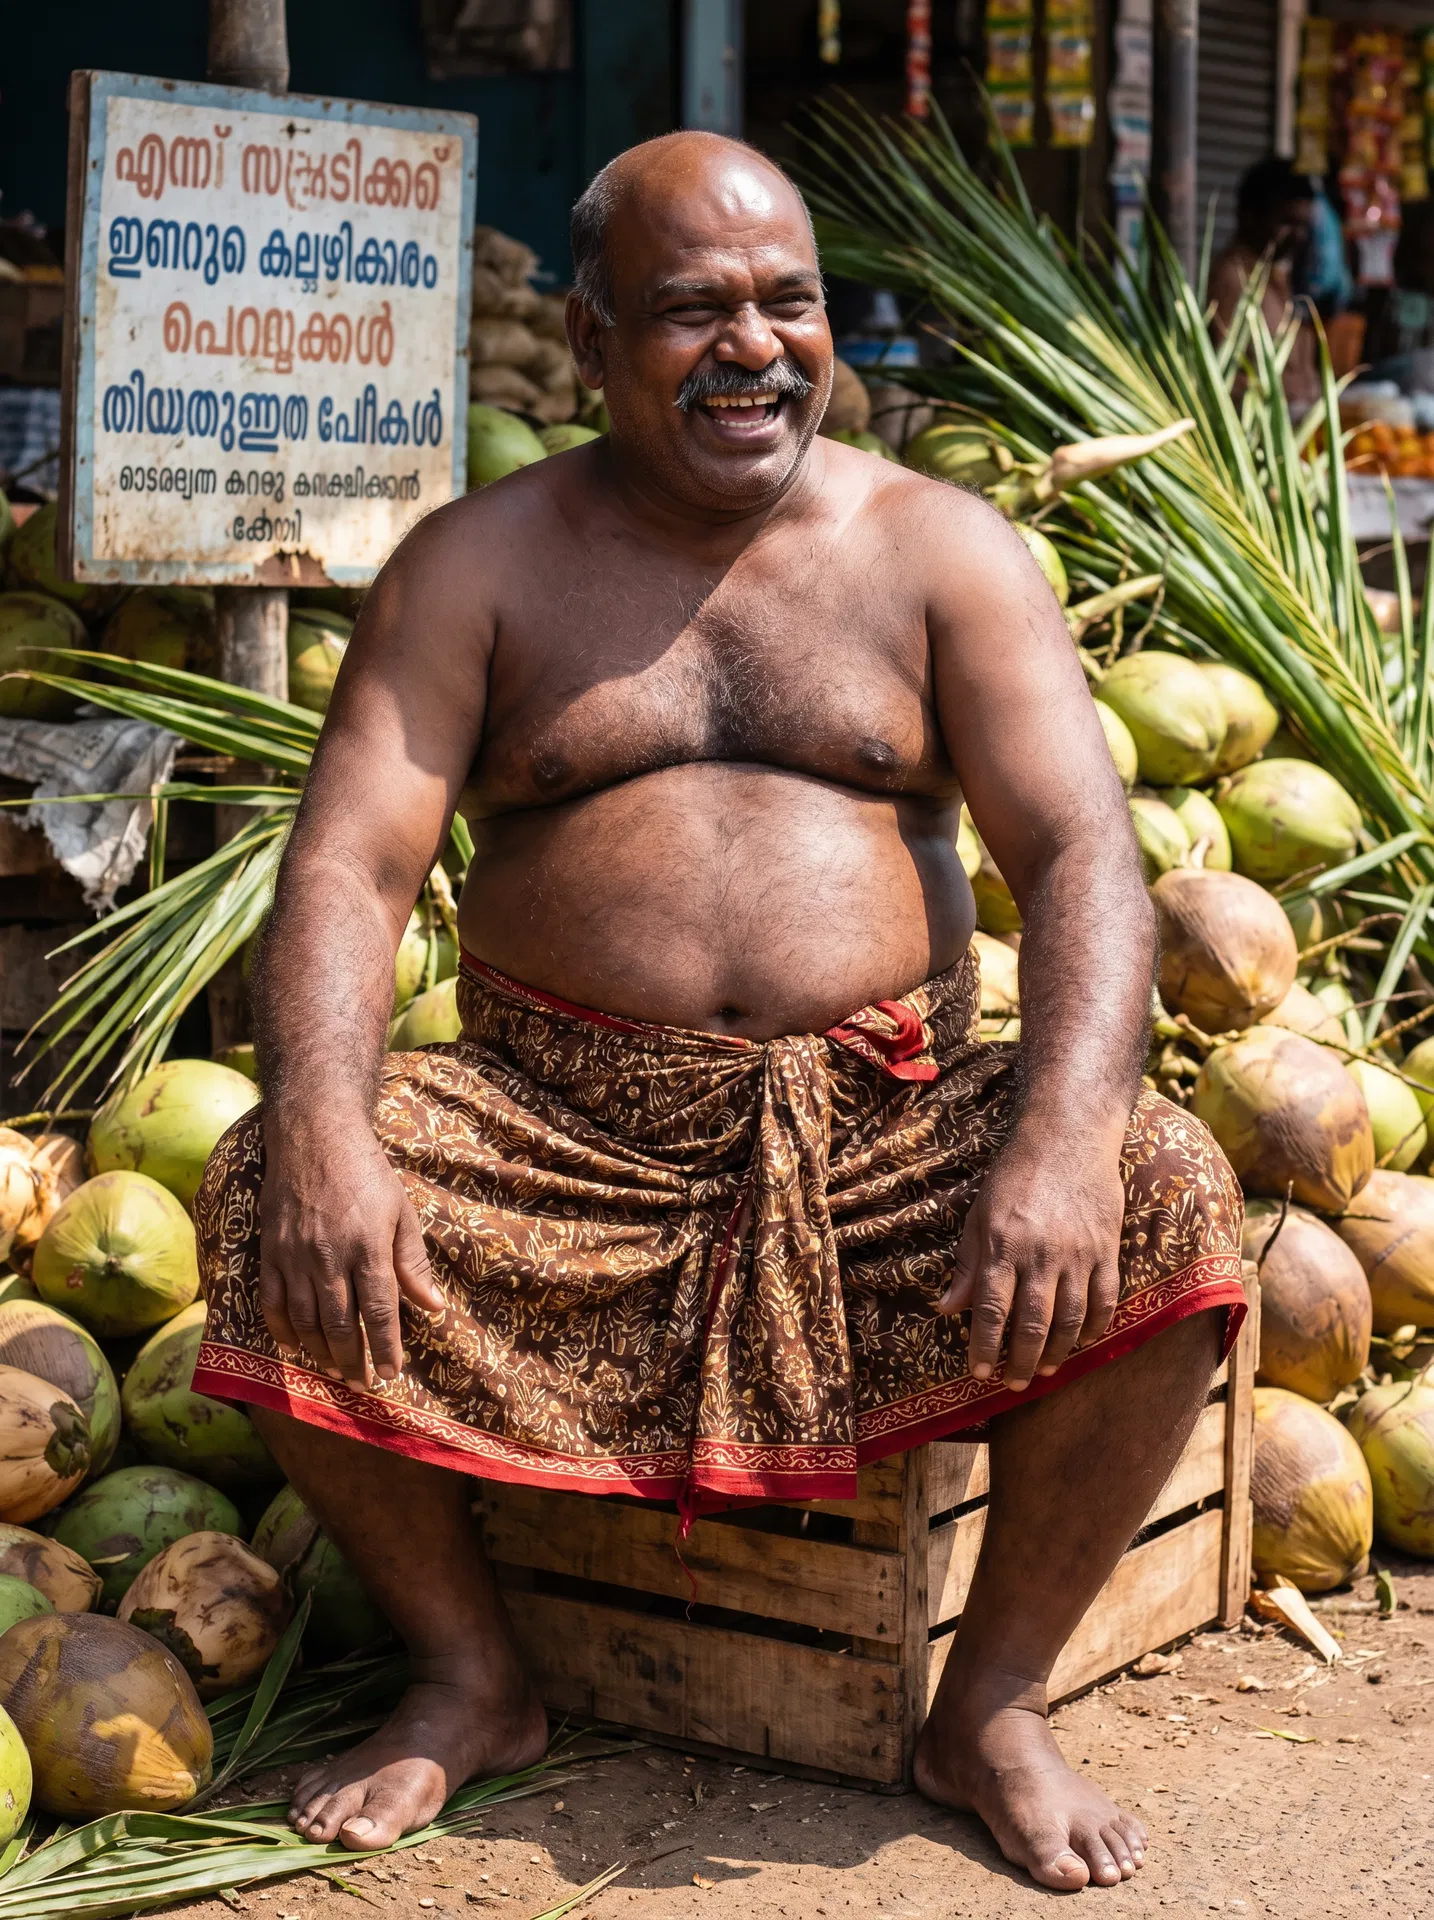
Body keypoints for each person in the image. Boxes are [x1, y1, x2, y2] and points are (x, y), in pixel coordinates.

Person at [192, 132, 1246, 1893]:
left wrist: (1054, 1141)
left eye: (787, 304)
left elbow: (1075, 858)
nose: (750, 346)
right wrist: (320, 1130)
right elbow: (349, 871)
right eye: (690, 312)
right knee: (255, 1190)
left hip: (874, 1133)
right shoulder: (475, 566)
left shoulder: (938, 552)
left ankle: (983, 1700)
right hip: (562, 1143)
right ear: (591, 339)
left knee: (1161, 1189)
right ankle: (474, 1674)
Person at [1209, 155, 1321, 411]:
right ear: (1249, 216)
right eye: (1287, 223)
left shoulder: (1275, 276)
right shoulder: (1232, 280)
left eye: (1304, 225)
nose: (1298, 236)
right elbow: (1220, 376)